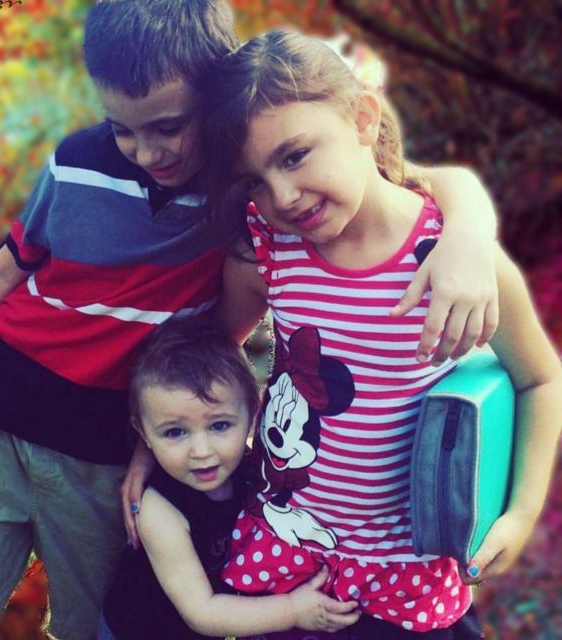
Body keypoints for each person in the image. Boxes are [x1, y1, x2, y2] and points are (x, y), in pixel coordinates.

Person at [0, 1, 499, 638]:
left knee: (88, 618)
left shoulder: (255, 193)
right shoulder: (83, 163)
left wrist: (470, 228)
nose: (145, 151)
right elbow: (11, 265)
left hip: (99, 441)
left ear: (214, 95)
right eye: (122, 128)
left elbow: (406, 176)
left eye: (168, 125)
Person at [199, 29, 562, 639]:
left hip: (408, 571)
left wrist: (521, 512)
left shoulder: (452, 255)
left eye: (294, 156)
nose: (281, 195)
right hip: (289, 555)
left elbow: (541, 379)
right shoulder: (268, 249)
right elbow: (216, 350)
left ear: (363, 119)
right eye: (254, 180)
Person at [98, 317, 362, 639]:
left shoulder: (249, 469)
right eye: (175, 432)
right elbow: (202, 612)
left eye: (219, 425)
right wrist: (293, 610)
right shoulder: (159, 511)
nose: (201, 451)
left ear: (252, 414)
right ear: (144, 433)